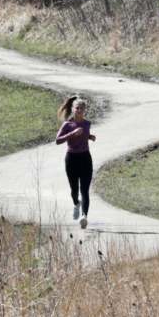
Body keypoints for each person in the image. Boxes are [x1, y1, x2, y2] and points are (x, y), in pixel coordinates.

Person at [55, 96, 96, 229]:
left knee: (85, 190)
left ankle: (84, 217)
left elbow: (83, 135)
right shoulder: (67, 125)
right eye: (77, 108)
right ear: (72, 109)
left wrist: (89, 136)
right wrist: (72, 133)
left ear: (85, 110)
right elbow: (58, 140)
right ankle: (76, 204)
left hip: (85, 158)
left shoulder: (87, 123)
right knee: (74, 190)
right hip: (71, 159)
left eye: (82, 108)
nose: (79, 110)